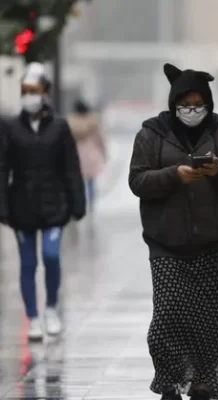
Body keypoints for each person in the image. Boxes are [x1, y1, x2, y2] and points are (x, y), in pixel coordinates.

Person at [128, 63, 218, 400]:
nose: (192, 111)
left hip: (217, 241)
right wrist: (174, 175)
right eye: (185, 105)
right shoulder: (151, 135)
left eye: (199, 105)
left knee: (212, 322)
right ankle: (170, 380)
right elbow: (137, 181)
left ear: (209, 105)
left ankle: (203, 383)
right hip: (166, 242)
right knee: (169, 316)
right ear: (174, 105)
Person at [0, 62, 86, 340]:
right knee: (27, 264)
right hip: (22, 206)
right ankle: (33, 318)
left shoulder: (59, 126)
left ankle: (51, 308)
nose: (29, 95)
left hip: (53, 206)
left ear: (45, 92)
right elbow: (3, 168)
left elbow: (71, 166)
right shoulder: (11, 127)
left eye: (34, 90)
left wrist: (77, 202)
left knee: (50, 257)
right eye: (25, 90)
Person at [67, 98, 106, 213]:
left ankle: (78, 203)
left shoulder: (71, 123)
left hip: (76, 155)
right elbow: (99, 140)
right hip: (91, 155)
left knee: (77, 181)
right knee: (90, 182)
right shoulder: (93, 122)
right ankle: (91, 204)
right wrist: (104, 152)